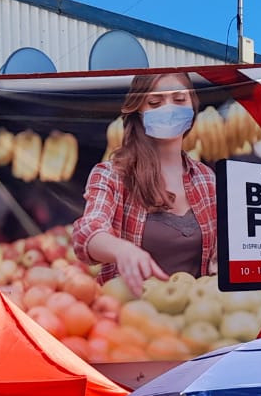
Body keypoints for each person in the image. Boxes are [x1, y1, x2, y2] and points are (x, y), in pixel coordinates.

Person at [72, 72, 218, 296]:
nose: (168, 109)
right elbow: (86, 233)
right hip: (131, 317)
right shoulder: (112, 174)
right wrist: (121, 250)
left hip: (196, 318)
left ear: (192, 108)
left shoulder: (206, 178)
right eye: (155, 103)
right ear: (138, 112)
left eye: (179, 100)